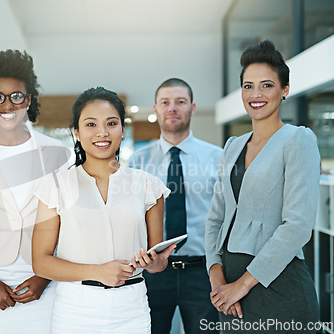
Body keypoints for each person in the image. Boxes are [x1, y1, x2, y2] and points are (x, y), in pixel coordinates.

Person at [32, 86, 176, 334]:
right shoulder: (55, 185)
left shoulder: (148, 186)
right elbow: (41, 263)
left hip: (132, 309)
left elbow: (158, 261)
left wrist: (155, 263)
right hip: (75, 310)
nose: (102, 132)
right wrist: (97, 272)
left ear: (122, 129)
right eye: (91, 124)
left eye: (111, 123)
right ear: (76, 132)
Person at [205, 39, 320, 333]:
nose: (256, 94)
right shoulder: (232, 146)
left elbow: (297, 225)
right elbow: (215, 218)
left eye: (267, 85)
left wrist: (241, 286)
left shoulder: (298, 140)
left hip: (277, 286)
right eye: (248, 86)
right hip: (230, 294)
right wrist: (218, 281)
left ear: (285, 90)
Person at [0, 49, 70, 333]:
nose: (8, 105)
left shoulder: (57, 154)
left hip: (45, 279)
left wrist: (45, 277)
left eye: (17, 96)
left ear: (28, 100)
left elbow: (70, 224)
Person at [128, 78, 221, 333]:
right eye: (165, 102)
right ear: (155, 109)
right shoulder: (137, 161)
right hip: (152, 272)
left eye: (180, 102)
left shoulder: (218, 158)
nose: (172, 108)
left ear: (192, 108)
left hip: (203, 272)